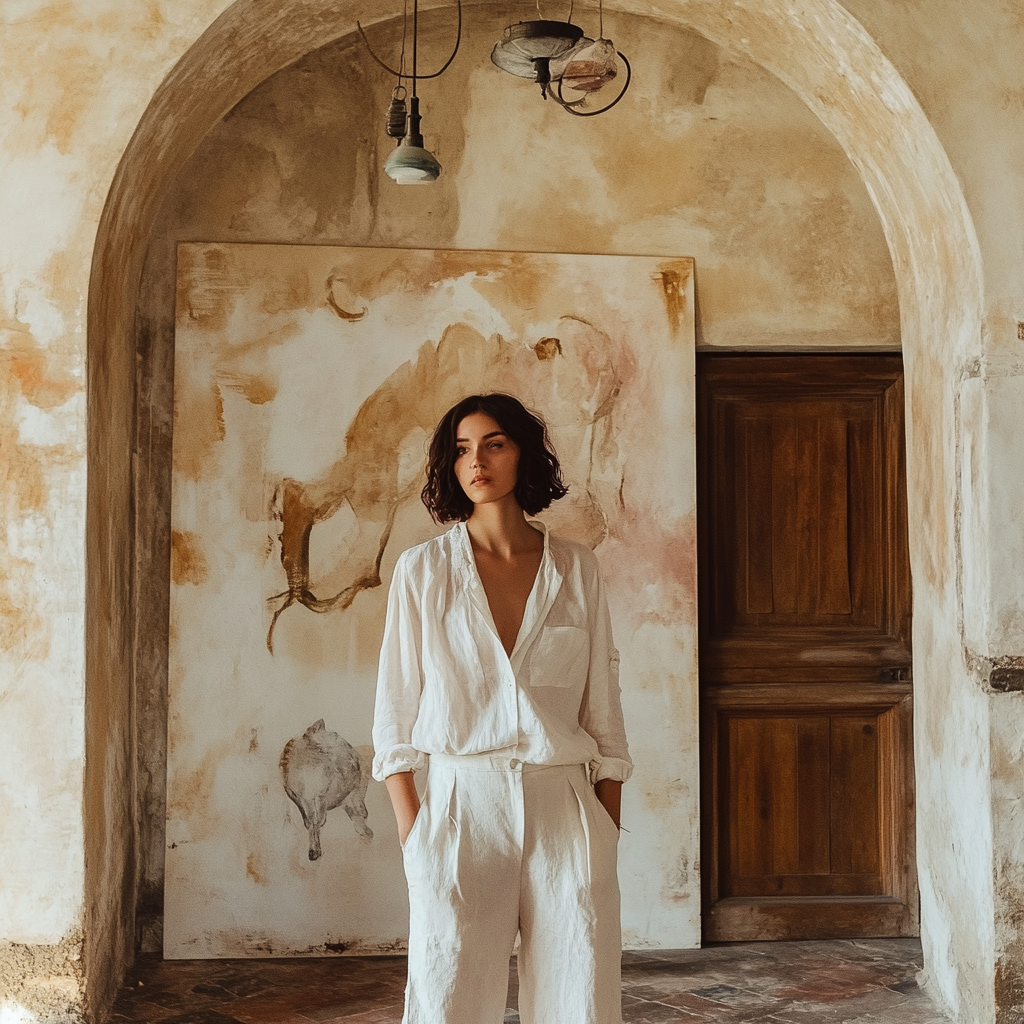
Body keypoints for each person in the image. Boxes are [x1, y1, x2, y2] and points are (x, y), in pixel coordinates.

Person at [371, 393, 632, 1024]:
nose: (476, 461)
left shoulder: (576, 567)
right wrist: (417, 837)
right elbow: (395, 710)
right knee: (448, 999)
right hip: (461, 806)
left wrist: (603, 826)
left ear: (523, 452)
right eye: (461, 449)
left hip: (563, 806)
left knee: (582, 997)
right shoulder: (423, 571)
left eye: (494, 443)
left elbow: (603, 706)